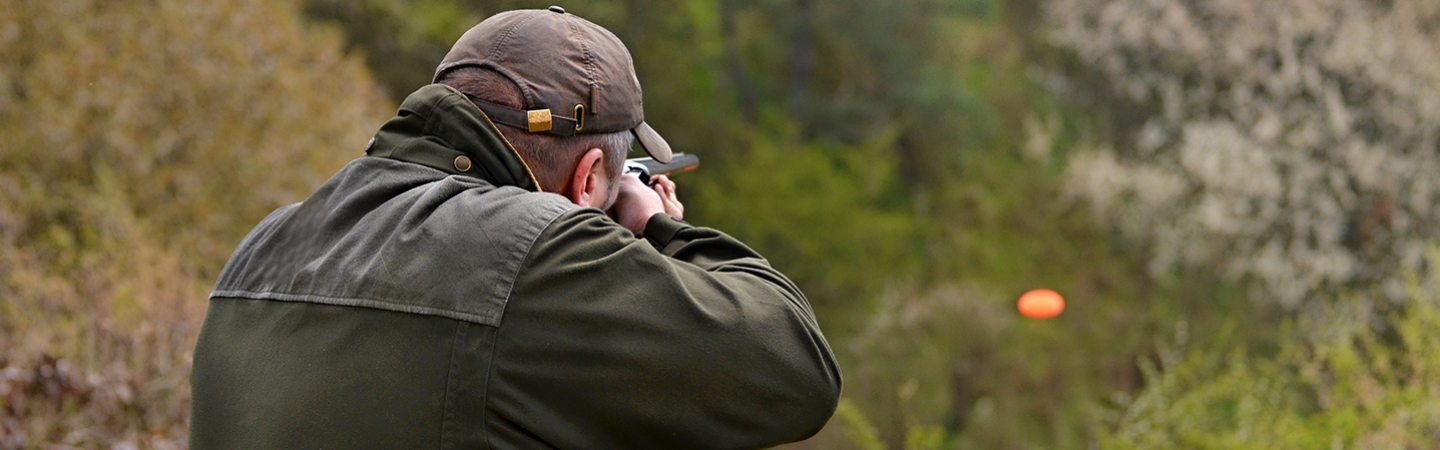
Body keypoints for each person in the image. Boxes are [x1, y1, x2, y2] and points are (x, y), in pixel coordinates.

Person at [188, 6, 842, 449]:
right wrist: (654, 225)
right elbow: (796, 370)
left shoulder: (264, 245)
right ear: (589, 180)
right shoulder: (533, 253)